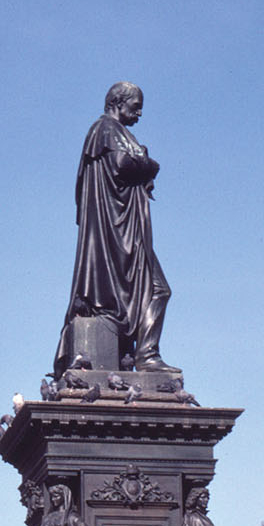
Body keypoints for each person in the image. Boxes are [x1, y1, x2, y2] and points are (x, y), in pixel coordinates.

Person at [54, 82, 172, 378]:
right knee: (159, 289)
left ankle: (147, 354)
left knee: (158, 290)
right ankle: (146, 355)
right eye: (136, 105)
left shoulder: (115, 132)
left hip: (127, 230)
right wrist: (149, 164)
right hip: (118, 233)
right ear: (119, 101)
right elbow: (121, 164)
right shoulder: (105, 129)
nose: (140, 113)